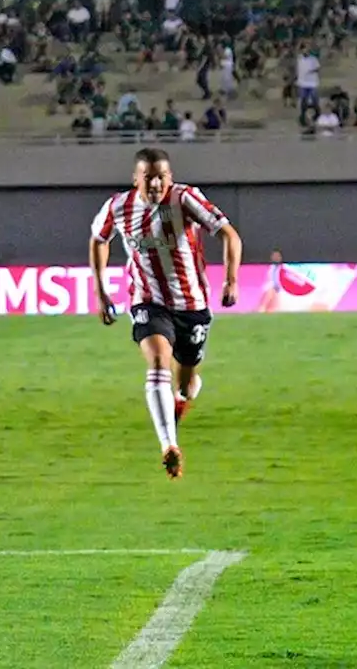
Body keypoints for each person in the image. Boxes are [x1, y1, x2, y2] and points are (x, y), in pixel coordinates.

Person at [89, 147, 243, 480]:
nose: (156, 184)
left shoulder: (186, 199)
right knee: (158, 360)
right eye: (149, 178)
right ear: (136, 180)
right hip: (148, 301)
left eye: (162, 177)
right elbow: (99, 239)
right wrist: (101, 293)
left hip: (192, 305)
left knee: (187, 382)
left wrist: (231, 280)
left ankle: (181, 399)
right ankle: (169, 445)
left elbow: (229, 234)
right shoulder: (118, 207)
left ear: (169, 178)